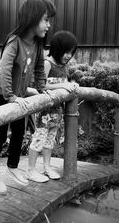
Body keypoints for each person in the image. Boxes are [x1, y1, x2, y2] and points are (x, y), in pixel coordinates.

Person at [0, 0, 56, 194]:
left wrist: (41, 89)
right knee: (0, 134)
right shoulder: (15, 41)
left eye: (49, 20)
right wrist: (10, 96)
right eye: (46, 20)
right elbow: (4, 69)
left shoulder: (37, 44)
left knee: (19, 132)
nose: (49, 25)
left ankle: (13, 167)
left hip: (18, 96)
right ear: (32, 19)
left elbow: (40, 68)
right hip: (1, 94)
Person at [26, 30, 79, 183]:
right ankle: (30, 170)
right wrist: (64, 85)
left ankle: (47, 167)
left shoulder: (62, 65)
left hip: (57, 111)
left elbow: (64, 83)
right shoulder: (47, 63)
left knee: (50, 140)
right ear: (57, 48)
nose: (69, 55)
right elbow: (41, 86)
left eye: (71, 52)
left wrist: (70, 85)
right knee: (39, 139)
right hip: (44, 111)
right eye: (66, 52)